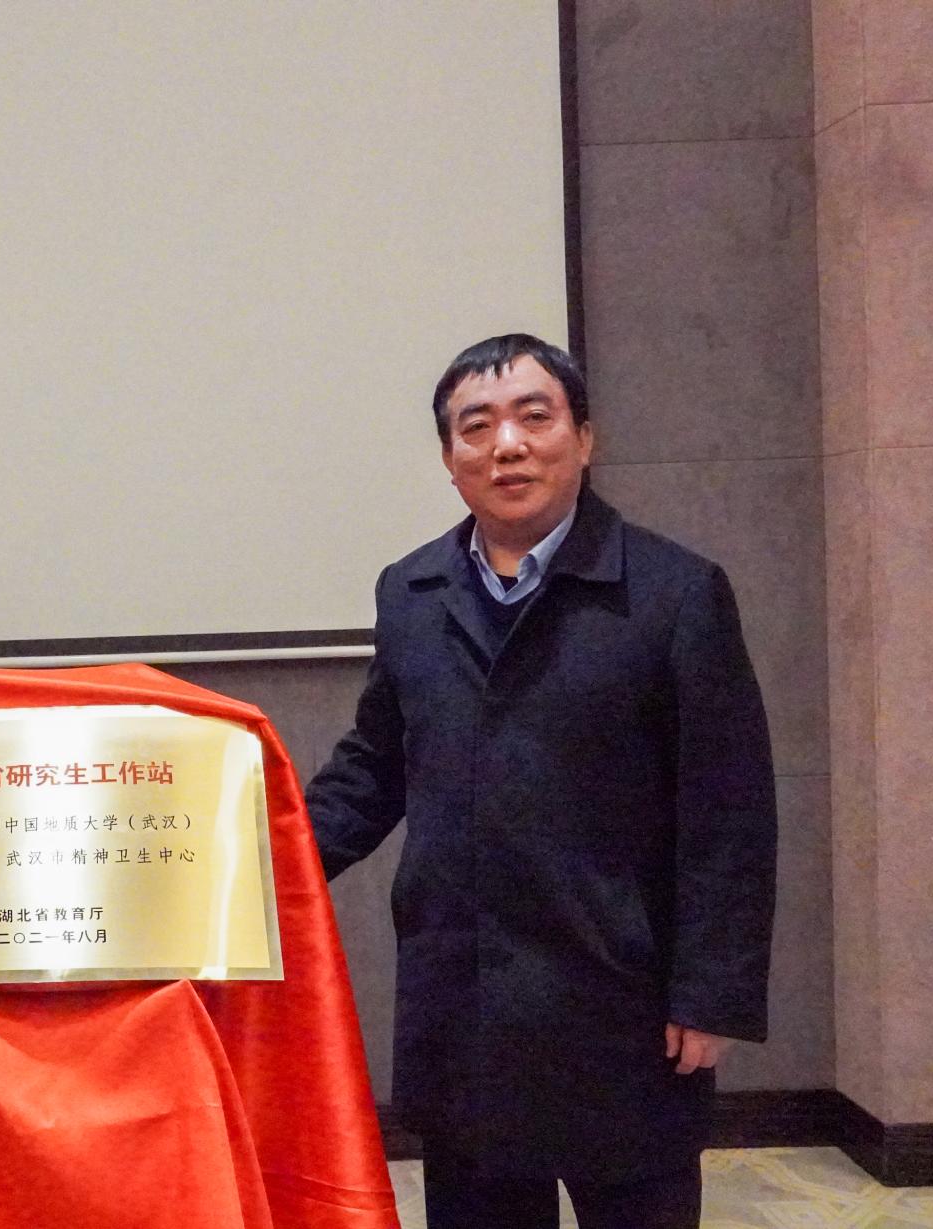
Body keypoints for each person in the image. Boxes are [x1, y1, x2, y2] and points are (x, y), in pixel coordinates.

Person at [305, 334, 776, 1229]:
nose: (507, 446)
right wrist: (250, 865)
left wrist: (712, 992)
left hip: (622, 1003)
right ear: (450, 458)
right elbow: (372, 768)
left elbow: (730, 811)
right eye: (476, 426)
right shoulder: (411, 591)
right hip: (463, 1002)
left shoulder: (675, 593)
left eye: (534, 416)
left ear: (585, 437)